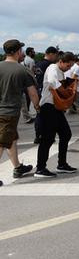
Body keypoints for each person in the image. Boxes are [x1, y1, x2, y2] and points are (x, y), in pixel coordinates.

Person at [0, 40, 40, 186]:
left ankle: (18, 167)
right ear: (17, 52)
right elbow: (32, 93)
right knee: (2, 142)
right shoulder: (22, 70)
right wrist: (37, 107)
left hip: (3, 111)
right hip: (9, 112)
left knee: (11, 139)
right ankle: (17, 168)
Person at [35, 51, 77, 177]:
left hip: (56, 108)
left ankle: (62, 164)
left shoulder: (60, 71)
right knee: (47, 138)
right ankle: (40, 168)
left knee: (66, 134)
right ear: (61, 61)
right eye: (68, 66)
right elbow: (54, 84)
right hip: (48, 107)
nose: (68, 68)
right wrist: (68, 93)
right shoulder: (53, 68)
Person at [33, 46, 58, 143]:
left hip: (37, 90)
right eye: (55, 55)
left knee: (39, 114)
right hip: (45, 92)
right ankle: (46, 135)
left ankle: (38, 135)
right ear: (51, 54)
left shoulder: (38, 63)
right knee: (47, 115)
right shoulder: (50, 65)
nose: (56, 58)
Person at [20, 47, 36, 124]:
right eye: (33, 52)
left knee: (25, 99)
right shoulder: (31, 60)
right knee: (26, 98)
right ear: (30, 53)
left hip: (21, 81)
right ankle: (27, 116)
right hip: (27, 82)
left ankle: (27, 115)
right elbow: (32, 72)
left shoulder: (23, 60)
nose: (34, 53)